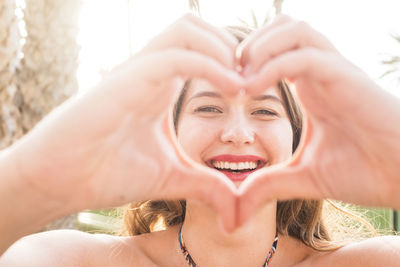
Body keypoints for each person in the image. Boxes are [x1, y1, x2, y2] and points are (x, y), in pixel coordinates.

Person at [0, 13, 400, 266]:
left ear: (298, 137)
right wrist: (38, 181)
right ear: (169, 133)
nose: (238, 133)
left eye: (265, 110)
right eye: (208, 108)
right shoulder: (69, 261)